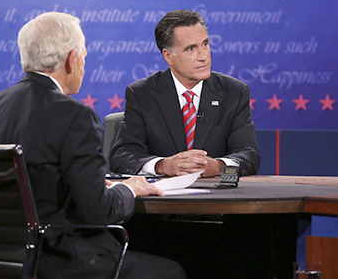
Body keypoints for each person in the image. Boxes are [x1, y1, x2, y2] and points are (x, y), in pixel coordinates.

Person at [0, 12, 186, 279]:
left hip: (3, 267)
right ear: (70, 60)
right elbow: (98, 210)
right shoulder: (74, 116)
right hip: (62, 266)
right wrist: (129, 189)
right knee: (171, 276)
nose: (83, 62)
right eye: (83, 55)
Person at [109, 9, 260, 177]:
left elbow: (249, 156)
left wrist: (217, 166)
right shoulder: (142, 94)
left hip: (216, 198)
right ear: (168, 56)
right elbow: (122, 156)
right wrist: (163, 165)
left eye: (205, 44)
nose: (203, 56)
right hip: (162, 197)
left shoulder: (234, 93)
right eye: (190, 49)